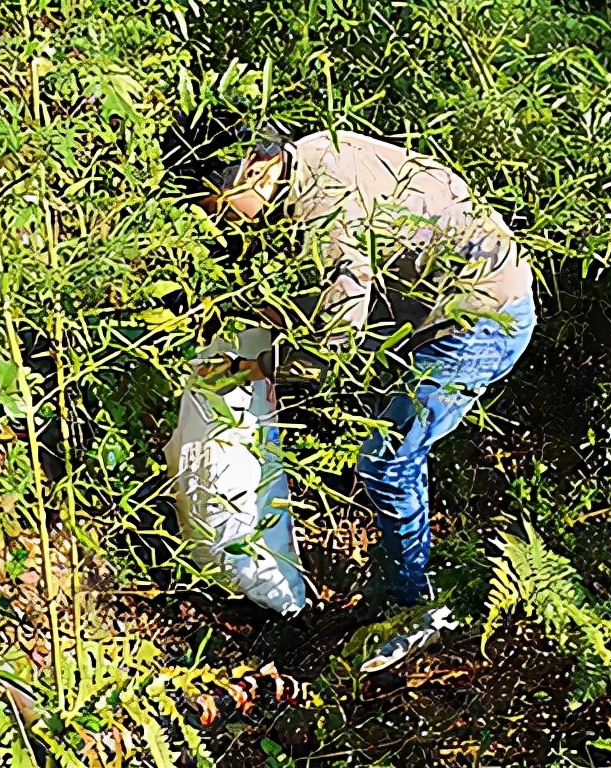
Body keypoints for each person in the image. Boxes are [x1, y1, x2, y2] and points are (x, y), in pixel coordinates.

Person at [187, 123, 536, 671]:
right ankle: (392, 582)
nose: (218, 218)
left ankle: (414, 608)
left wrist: (254, 367)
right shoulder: (311, 158)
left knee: (387, 459)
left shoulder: (325, 210)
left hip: (482, 317)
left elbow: (337, 339)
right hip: (447, 303)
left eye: (217, 204)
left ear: (253, 169)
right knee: (386, 447)